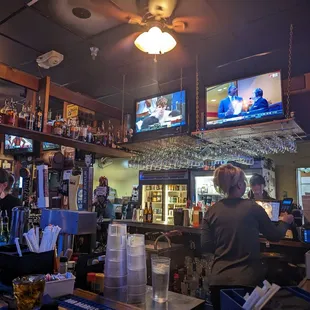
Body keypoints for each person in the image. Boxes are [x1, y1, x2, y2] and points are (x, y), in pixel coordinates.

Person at [202, 164, 293, 310]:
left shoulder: (211, 211)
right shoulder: (253, 207)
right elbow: (275, 236)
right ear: (239, 184)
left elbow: (206, 246)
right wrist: (285, 222)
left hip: (217, 282)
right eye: (244, 182)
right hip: (247, 283)